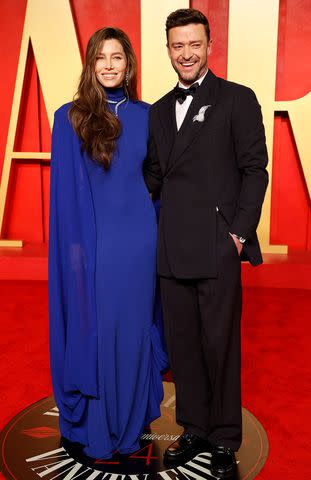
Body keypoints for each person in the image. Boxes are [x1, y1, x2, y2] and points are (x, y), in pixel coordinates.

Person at [143, 8, 268, 478]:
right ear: (169, 50)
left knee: (220, 344)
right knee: (185, 345)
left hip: (217, 244)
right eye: (178, 45)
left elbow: (255, 168)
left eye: (194, 44)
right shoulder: (157, 111)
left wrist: (237, 233)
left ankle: (224, 438)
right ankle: (193, 428)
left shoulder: (237, 99)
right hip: (171, 246)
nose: (186, 53)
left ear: (209, 45)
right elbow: (153, 178)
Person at [48, 27, 168, 460]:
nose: (110, 65)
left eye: (117, 57)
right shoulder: (69, 116)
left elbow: (159, 180)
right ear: (90, 64)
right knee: (98, 330)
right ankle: (99, 428)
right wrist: (75, 254)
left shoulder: (148, 114)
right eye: (101, 57)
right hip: (94, 247)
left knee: (134, 330)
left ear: (129, 63)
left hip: (139, 243)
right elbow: (64, 197)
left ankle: (133, 423)